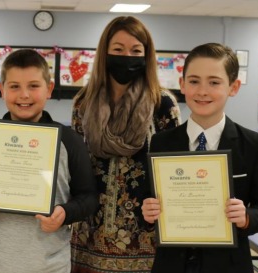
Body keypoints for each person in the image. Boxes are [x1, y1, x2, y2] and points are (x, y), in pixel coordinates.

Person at [0, 49, 98, 273]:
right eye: (14, 87)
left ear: (48, 89)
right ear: (2, 89)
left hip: (50, 265)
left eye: (33, 86)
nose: (24, 95)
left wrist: (65, 213)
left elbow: (88, 197)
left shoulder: (69, 141)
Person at [141, 43, 258, 273]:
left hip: (229, 265)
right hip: (172, 264)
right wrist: (148, 210)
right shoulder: (162, 142)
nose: (202, 91)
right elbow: (149, 200)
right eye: (194, 81)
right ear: (182, 85)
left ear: (233, 87)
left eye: (214, 82)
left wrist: (246, 217)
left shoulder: (253, 144)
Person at [69, 16, 181, 272]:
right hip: (90, 232)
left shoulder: (162, 103)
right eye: (118, 49)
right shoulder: (83, 103)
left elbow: (173, 168)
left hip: (144, 234)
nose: (126, 56)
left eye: (136, 50)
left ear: (147, 55)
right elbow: (75, 165)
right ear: (105, 52)